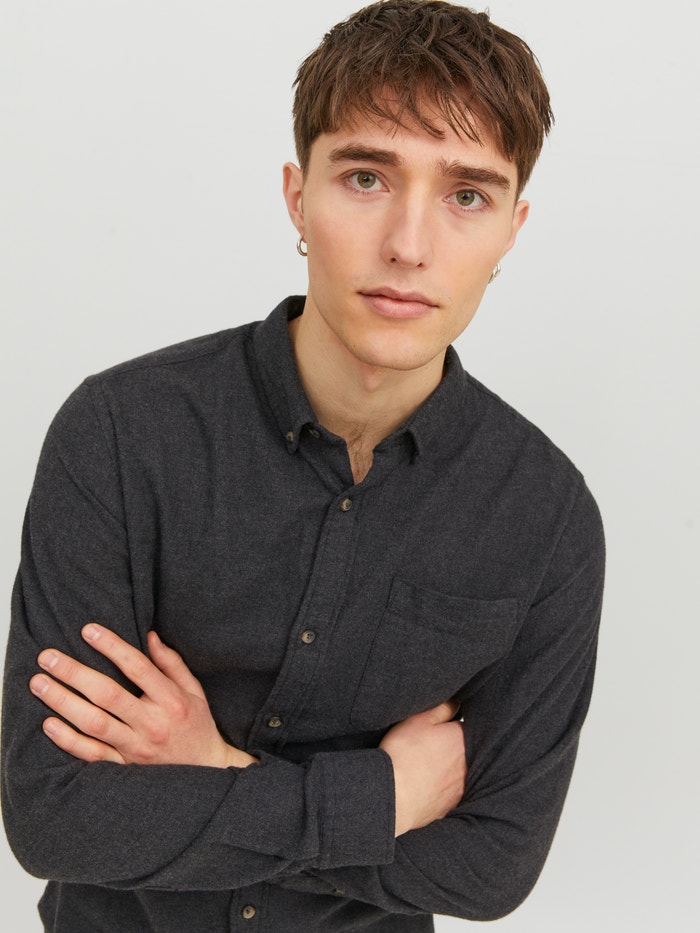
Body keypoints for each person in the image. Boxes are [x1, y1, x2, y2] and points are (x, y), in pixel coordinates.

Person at [1, 1, 604, 930]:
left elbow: (490, 868)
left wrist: (214, 767)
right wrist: (383, 798)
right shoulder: (122, 432)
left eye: (467, 196)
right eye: (366, 177)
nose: (408, 245)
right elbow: (57, 817)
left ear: (512, 228)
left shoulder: (547, 517)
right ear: (297, 196)